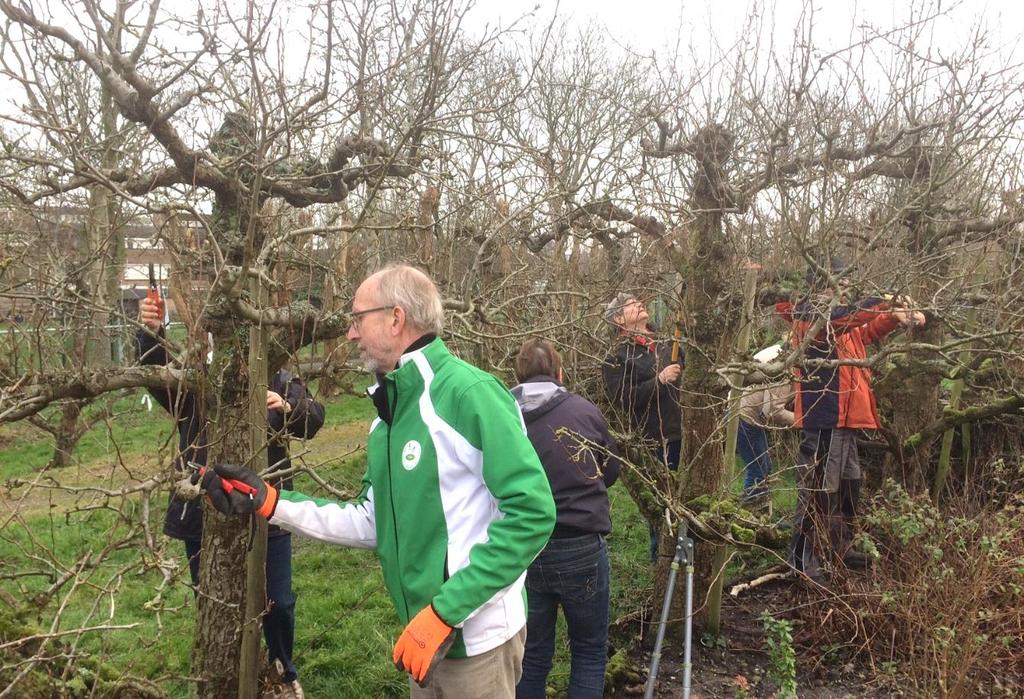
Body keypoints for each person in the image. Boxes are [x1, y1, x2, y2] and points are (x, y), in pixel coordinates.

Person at [195, 264, 556, 698]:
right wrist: (271, 502)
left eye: (357, 319)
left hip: (475, 646)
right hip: (421, 641)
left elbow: (532, 513)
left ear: (395, 318)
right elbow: (372, 521)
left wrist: (445, 612)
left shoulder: (468, 394)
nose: (350, 334)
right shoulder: (386, 421)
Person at [137, 297, 324, 699]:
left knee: (278, 600)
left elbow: (314, 418)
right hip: (204, 510)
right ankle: (220, 676)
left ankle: (282, 670)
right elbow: (155, 380)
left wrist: (288, 407)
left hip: (267, 506)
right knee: (215, 601)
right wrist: (151, 334)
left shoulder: (274, 376)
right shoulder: (194, 379)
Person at [776, 259, 925, 580]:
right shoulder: (809, 316)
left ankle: (839, 545)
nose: (843, 290)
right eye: (838, 284)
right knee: (816, 488)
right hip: (824, 417)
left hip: (846, 418)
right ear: (821, 286)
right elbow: (845, 320)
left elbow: (864, 331)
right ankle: (800, 559)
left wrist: (892, 318)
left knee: (849, 486)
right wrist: (885, 303)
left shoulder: (840, 318)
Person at [511, 338, 622, 699]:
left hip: (527, 547)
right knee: (589, 652)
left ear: (518, 375)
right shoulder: (583, 411)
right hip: (582, 543)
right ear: (560, 373)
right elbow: (611, 469)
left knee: (533, 654)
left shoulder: (503, 416)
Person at [602, 293, 682, 560]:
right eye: (630, 304)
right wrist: (659, 380)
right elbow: (623, 399)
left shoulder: (665, 341)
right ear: (618, 319)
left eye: (638, 300)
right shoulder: (616, 357)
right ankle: (661, 560)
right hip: (654, 438)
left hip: (682, 430)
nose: (639, 304)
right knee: (662, 506)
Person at [737, 342, 796, 510]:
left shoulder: (778, 353)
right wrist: (801, 420)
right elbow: (774, 412)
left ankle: (760, 512)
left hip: (746, 414)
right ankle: (748, 513)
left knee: (765, 466)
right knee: (758, 470)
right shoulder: (784, 371)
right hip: (745, 418)